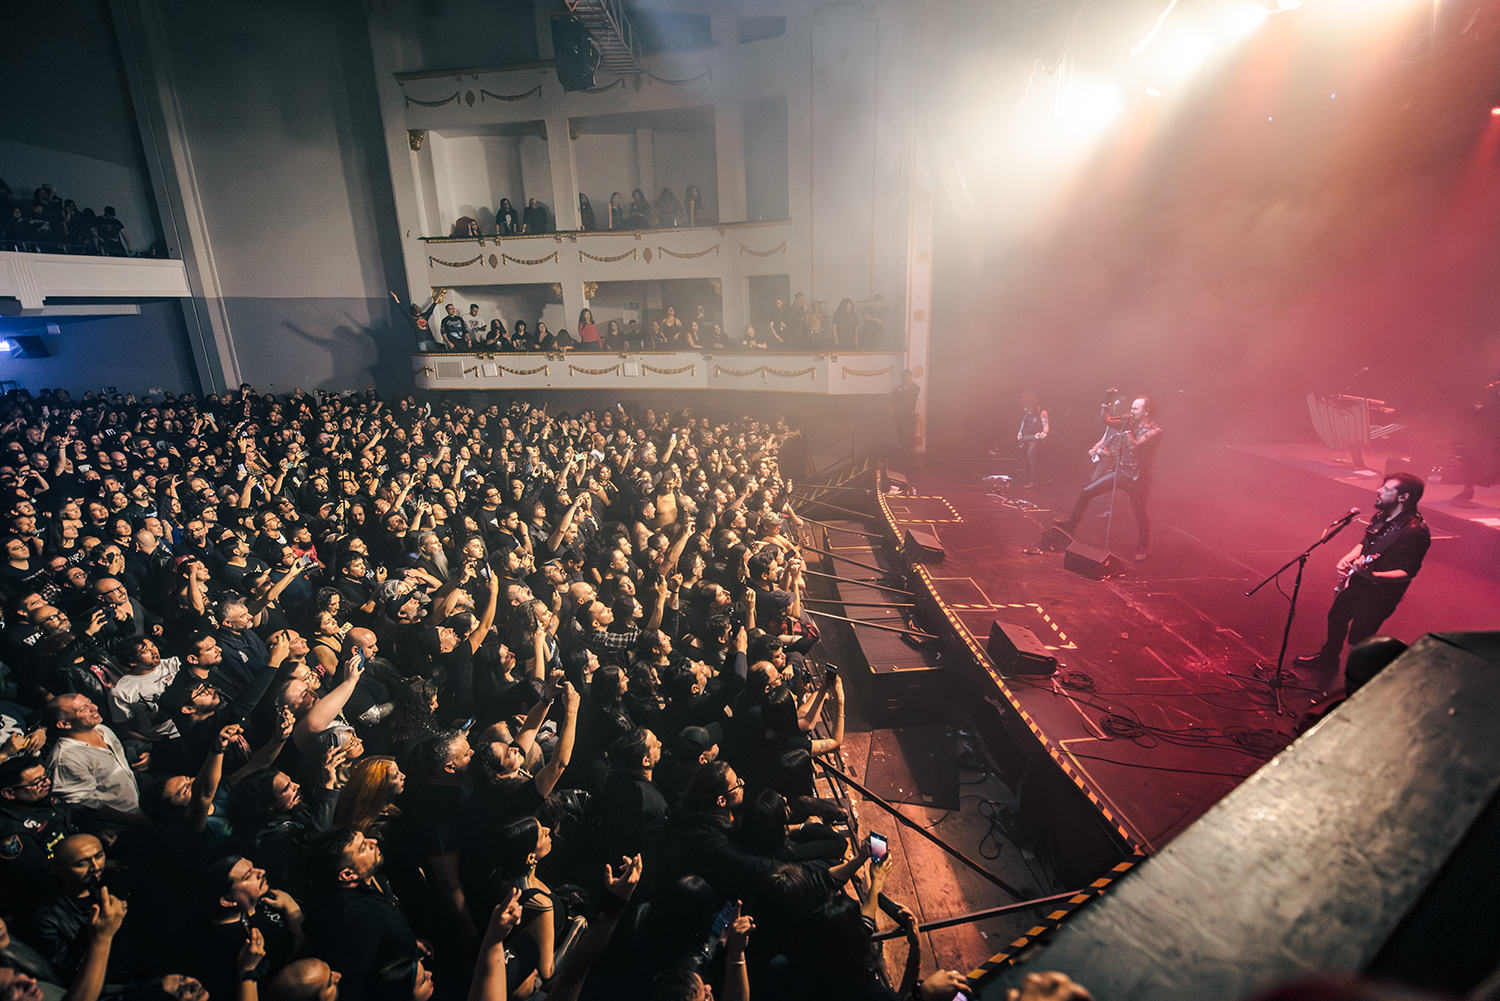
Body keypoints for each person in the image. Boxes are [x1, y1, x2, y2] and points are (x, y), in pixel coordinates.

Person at [1295, 473, 1431, 674]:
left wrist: (1372, 576)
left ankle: (1360, 679)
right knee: (1336, 617)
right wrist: (1348, 557)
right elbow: (1366, 543)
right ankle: (1327, 660)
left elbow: (1406, 573)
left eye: (1387, 488)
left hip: (1380, 594)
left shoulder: (1414, 532)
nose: (1379, 490)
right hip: (1358, 583)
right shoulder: (1381, 515)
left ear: (1403, 497)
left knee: (1359, 639)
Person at [1052, 395, 1162, 561]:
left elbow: (1134, 446)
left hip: (1138, 479)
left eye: (1135, 408)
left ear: (1146, 411)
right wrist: (1105, 403)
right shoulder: (1130, 424)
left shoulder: (1155, 431)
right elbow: (1108, 421)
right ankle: (1071, 524)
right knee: (1087, 491)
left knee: (1140, 513)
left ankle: (1143, 545)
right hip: (1121, 473)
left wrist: (1125, 428)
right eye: (1131, 407)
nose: (1131, 411)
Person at [1016, 393, 1049, 488]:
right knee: (1022, 454)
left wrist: (1044, 433)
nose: (1028, 408)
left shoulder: (1042, 412)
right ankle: (1023, 477)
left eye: (1030, 406)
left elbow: (1046, 425)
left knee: (1032, 453)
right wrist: (1020, 433)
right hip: (1026, 437)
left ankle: (1036, 479)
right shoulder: (1026, 413)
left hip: (1036, 438)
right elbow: (1022, 425)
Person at [891, 370, 919, 455]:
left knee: (908, 434)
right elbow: (894, 394)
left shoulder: (914, 387)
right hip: (900, 414)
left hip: (909, 414)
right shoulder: (901, 387)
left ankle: (907, 452)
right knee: (900, 434)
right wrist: (901, 390)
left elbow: (911, 399)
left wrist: (904, 391)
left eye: (906, 377)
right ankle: (902, 451)